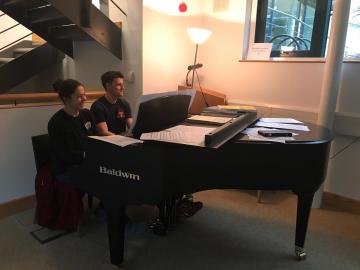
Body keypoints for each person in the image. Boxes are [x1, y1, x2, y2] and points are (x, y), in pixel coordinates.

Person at [47, 79, 96, 231]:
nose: (85, 99)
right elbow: (66, 156)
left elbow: (94, 138)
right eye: (80, 96)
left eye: (85, 94)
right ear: (66, 99)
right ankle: (108, 211)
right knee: (106, 177)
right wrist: (91, 157)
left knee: (112, 172)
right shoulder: (57, 123)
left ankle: (107, 210)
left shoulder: (86, 114)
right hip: (66, 168)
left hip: (85, 161)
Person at [90, 71, 132, 135]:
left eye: (123, 84)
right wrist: (122, 139)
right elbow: (104, 132)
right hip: (107, 143)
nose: (123, 88)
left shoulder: (124, 103)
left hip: (121, 141)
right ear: (108, 86)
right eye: (119, 85)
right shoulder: (97, 106)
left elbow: (131, 127)